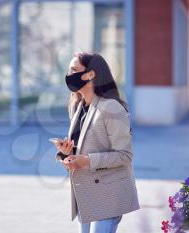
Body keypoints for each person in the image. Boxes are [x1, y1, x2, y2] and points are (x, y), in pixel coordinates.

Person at [54, 52, 140, 233]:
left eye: (74, 70)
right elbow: (82, 148)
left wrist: (87, 161)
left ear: (91, 74)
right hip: (86, 196)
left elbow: (125, 155)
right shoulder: (79, 106)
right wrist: (67, 154)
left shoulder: (111, 108)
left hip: (108, 195)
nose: (69, 75)